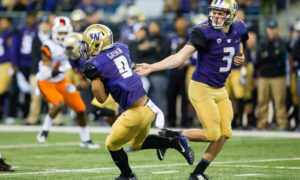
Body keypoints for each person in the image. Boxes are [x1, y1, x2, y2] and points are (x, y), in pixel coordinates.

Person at [134, 0, 247, 179]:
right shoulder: (203, 31)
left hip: (220, 88)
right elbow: (179, 58)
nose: (216, 17)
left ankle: (197, 174)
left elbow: (239, 41)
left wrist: (240, 55)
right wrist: (152, 67)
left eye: (221, 14)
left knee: (225, 134)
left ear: (231, 16)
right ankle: (170, 137)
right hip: (201, 87)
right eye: (214, 13)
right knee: (212, 133)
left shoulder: (239, 27)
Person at [80, 24, 194, 180]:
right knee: (137, 144)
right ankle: (174, 142)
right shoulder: (122, 47)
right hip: (147, 106)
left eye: (87, 44)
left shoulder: (95, 64)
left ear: (97, 43)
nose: (85, 48)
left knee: (111, 145)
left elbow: (101, 98)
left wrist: (95, 78)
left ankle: (127, 175)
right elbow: (115, 69)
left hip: (135, 113)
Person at [36, 16, 99, 149]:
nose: (63, 35)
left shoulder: (73, 43)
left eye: (65, 32)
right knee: (59, 104)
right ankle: (44, 130)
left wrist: (81, 78)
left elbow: (78, 61)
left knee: (81, 109)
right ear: (54, 32)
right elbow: (46, 72)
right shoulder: (48, 45)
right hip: (46, 80)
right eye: (60, 32)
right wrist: (59, 70)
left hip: (61, 80)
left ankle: (85, 139)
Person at [256, 19, 288, 131]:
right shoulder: (262, 42)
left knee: (280, 102)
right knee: (262, 101)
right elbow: (259, 58)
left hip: (278, 77)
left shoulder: (281, 42)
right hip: (264, 76)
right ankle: (262, 124)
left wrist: (268, 55)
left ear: (277, 29)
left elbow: (281, 57)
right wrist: (273, 53)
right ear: (267, 29)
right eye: (270, 28)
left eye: (273, 28)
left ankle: (282, 124)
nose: (272, 31)